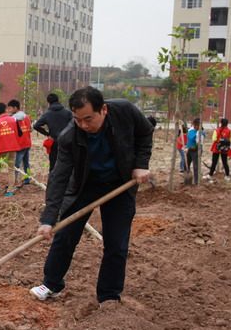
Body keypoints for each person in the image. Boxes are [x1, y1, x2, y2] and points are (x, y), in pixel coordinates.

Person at [29, 86, 152, 305]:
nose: (84, 125)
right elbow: (59, 177)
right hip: (86, 185)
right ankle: (51, 284)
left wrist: (141, 165)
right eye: (77, 120)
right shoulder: (69, 136)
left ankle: (109, 296)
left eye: (88, 119)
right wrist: (48, 219)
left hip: (120, 183)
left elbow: (145, 132)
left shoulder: (125, 111)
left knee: (116, 243)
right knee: (65, 234)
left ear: (103, 109)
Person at [33, 92, 73, 172]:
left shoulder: (47, 114)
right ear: (58, 100)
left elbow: (36, 126)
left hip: (54, 142)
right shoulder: (68, 112)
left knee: (53, 165)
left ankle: (52, 182)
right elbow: (74, 124)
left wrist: (47, 134)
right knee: (68, 163)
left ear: (48, 102)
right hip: (67, 141)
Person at [0, 102, 19, 194]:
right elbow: (20, 133)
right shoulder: (14, 120)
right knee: (11, 169)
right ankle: (10, 190)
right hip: (12, 147)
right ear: (6, 109)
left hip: (1, 148)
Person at [9, 99, 33, 185]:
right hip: (27, 143)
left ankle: (14, 181)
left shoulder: (14, 119)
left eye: (10, 108)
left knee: (16, 164)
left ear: (15, 108)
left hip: (20, 144)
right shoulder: (26, 116)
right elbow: (30, 129)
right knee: (26, 163)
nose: (9, 110)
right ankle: (27, 179)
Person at [186, 118, 203, 184]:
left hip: (196, 151)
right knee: (186, 165)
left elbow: (197, 145)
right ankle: (187, 180)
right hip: (189, 150)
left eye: (198, 125)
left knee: (196, 166)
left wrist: (189, 148)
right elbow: (188, 140)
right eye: (196, 125)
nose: (197, 127)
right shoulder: (190, 130)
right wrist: (186, 147)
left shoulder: (200, 133)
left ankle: (196, 181)